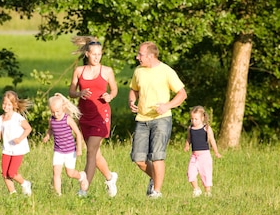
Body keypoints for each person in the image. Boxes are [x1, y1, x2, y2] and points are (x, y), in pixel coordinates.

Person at [129, 41, 187, 199]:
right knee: (139, 159)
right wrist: (131, 101)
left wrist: (167, 105)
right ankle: (155, 179)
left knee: (157, 156)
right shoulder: (138, 71)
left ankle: (157, 191)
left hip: (161, 119)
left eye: (140, 54)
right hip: (142, 119)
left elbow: (182, 94)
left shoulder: (166, 71)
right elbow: (134, 89)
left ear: (150, 56)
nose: (137, 57)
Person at [69, 36, 118, 197]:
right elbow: (71, 92)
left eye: (99, 54)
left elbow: (114, 90)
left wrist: (109, 97)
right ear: (87, 55)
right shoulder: (79, 71)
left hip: (101, 115)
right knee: (95, 154)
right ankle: (110, 178)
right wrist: (79, 93)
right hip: (84, 115)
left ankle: (84, 189)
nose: (97, 57)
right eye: (94, 54)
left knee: (90, 150)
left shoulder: (107, 71)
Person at [42, 93, 89, 196]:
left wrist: (79, 148)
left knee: (70, 173)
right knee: (56, 172)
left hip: (70, 151)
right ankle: (58, 194)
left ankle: (81, 176)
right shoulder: (52, 120)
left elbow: (77, 133)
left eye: (58, 111)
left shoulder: (67, 119)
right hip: (58, 151)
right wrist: (47, 136)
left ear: (63, 108)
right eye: (53, 112)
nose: (56, 114)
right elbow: (50, 129)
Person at [0, 90, 33, 196]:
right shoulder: (0, 120)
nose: (6, 106)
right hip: (6, 149)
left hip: (18, 149)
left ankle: (25, 184)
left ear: (14, 105)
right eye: (4, 104)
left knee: (11, 173)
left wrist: (20, 139)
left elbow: (28, 128)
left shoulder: (18, 118)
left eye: (9, 104)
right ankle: (13, 194)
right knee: (5, 173)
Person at [184, 105, 222, 197]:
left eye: (196, 119)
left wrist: (216, 152)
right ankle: (196, 189)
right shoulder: (190, 128)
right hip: (194, 156)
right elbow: (189, 139)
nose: (193, 121)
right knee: (190, 173)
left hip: (204, 156)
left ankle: (207, 192)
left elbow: (212, 140)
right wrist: (186, 145)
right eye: (192, 119)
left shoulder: (206, 128)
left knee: (205, 174)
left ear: (202, 118)